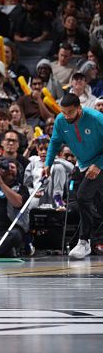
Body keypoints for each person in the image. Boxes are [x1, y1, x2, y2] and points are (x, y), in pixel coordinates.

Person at [43, 93, 103, 259]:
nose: (66, 116)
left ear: (79, 109)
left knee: (83, 197)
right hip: (84, 164)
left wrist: (98, 165)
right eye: (64, 112)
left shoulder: (97, 118)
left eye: (70, 112)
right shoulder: (61, 120)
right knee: (99, 204)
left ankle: (83, 242)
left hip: (100, 160)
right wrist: (48, 163)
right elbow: (55, 142)